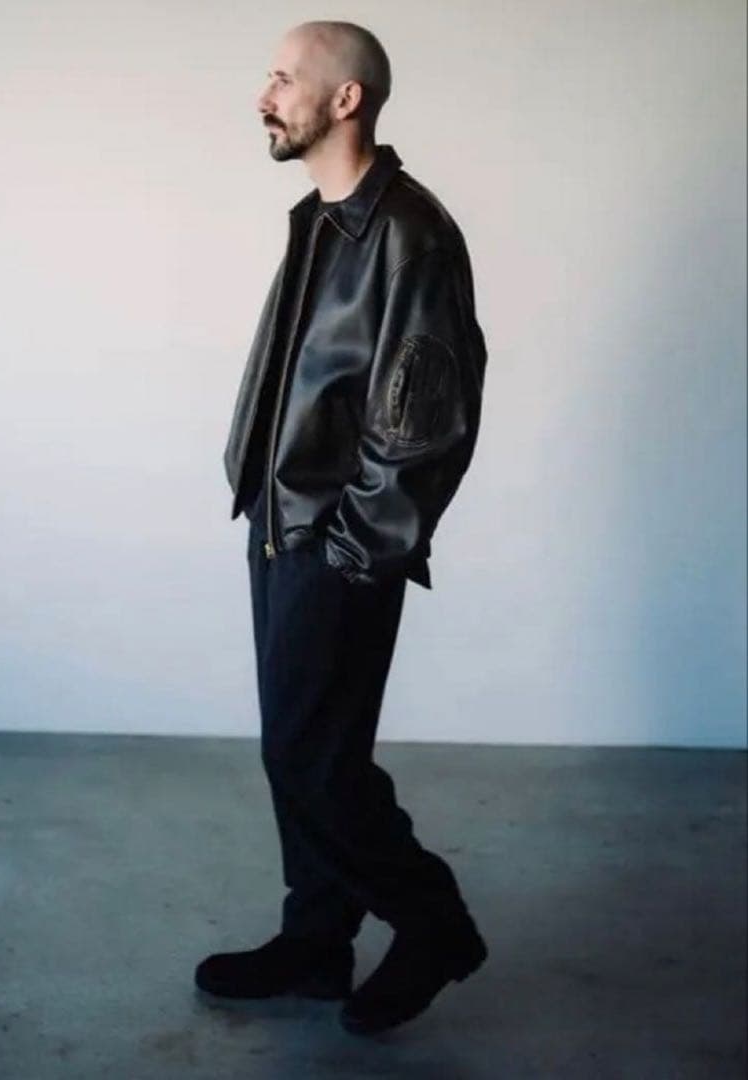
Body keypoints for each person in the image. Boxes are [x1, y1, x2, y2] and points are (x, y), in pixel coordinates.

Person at [194, 20, 489, 1036]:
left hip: (338, 541)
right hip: (281, 523)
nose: (264, 96)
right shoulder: (324, 220)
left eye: (282, 79)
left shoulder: (410, 234)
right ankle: (317, 944)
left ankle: (434, 922)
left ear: (345, 99)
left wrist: (358, 545)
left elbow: (425, 415)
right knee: (298, 750)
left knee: (312, 758)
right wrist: (267, 505)